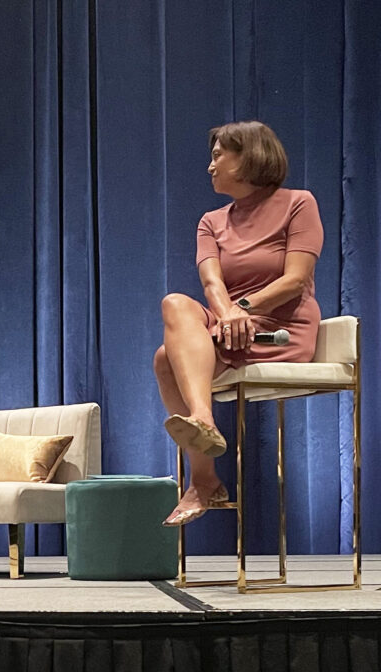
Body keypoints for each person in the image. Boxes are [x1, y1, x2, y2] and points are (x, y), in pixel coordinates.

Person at [154, 121, 324, 526]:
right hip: (229, 321)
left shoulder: (299, 203)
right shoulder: (211, 221)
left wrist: (242, 308)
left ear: (248, 156)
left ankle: (202, 481)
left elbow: (296, 278)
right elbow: (212, 283)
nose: (210, 167)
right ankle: (204, 422)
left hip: (280, 325)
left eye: (217, 156)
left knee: (165, 359)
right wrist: (229, 312)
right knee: (175, 303)